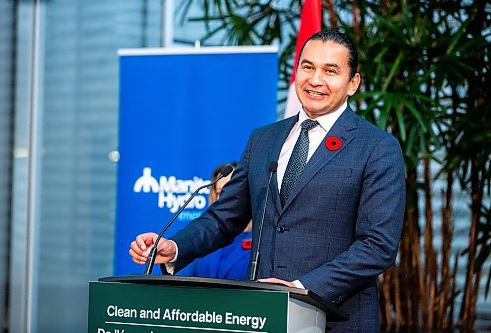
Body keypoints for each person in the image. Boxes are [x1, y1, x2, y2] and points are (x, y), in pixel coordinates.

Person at [129, 30, 405, 332]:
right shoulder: (264, 139)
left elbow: (377, 246)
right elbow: (225, 218)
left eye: (330, 71)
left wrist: (301, 289)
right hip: (261, 316)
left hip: (336, 320)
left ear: (353, 83)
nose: (315, 80)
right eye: (308, 67)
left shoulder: (376, 147)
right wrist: (175, 247)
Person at [177, 162, 252, 280]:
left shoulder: (262, 241)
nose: (226, 197)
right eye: (220, 192)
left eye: (231, 191)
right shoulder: (205, 240)